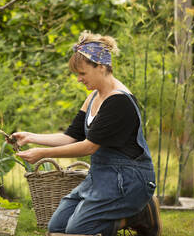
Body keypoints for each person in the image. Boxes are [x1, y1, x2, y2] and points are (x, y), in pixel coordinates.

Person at [12, 31, 162, 236]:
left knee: (77, 230)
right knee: (56, 227)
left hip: (129, 179)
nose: (79, 79)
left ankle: (139, 214)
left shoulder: (118, 101)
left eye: (82, 73)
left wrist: (43, 154)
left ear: (101, 67)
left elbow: (89, 146)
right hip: (101, 177)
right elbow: (71, 136)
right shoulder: (93, 97)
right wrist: (31, 137)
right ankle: (132, 212)